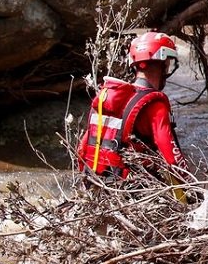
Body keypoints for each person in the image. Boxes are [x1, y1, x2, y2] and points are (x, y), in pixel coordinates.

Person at [77, 31, 186, 178]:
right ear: (165, 64)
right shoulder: (155, 106)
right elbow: (173, 160)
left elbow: (82, 149)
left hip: (93, 182)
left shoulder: (107, 97)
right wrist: (191, 189)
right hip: (131, 188)